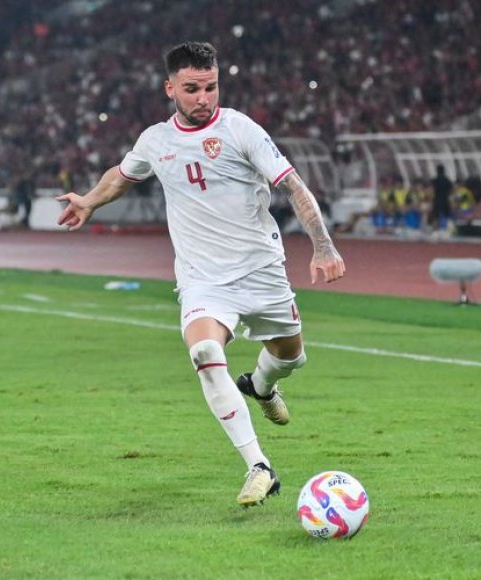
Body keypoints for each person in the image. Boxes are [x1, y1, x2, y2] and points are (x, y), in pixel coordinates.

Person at [57, 42, 346, 506]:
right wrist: (89, 201)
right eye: (192, 89)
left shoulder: (240, 129)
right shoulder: (156, 140)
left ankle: (260, 385)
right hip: (203, 281)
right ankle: (260, 466)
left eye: (211, 87)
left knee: (292, 358)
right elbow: (123, 174)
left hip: (261, 270)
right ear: (170, 89)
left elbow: (293, 184)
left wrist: (323, 245)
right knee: (206, 352)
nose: (203, 98)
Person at [430, 164, 453, 232]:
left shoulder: (434, 180)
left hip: (437, 201)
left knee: (435, 217)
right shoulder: (447, 180)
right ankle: (447, 230)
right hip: (445, 200)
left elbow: (432, 192)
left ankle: (435, 231)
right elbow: (451, 191)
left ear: (437, 171)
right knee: (446, 216)